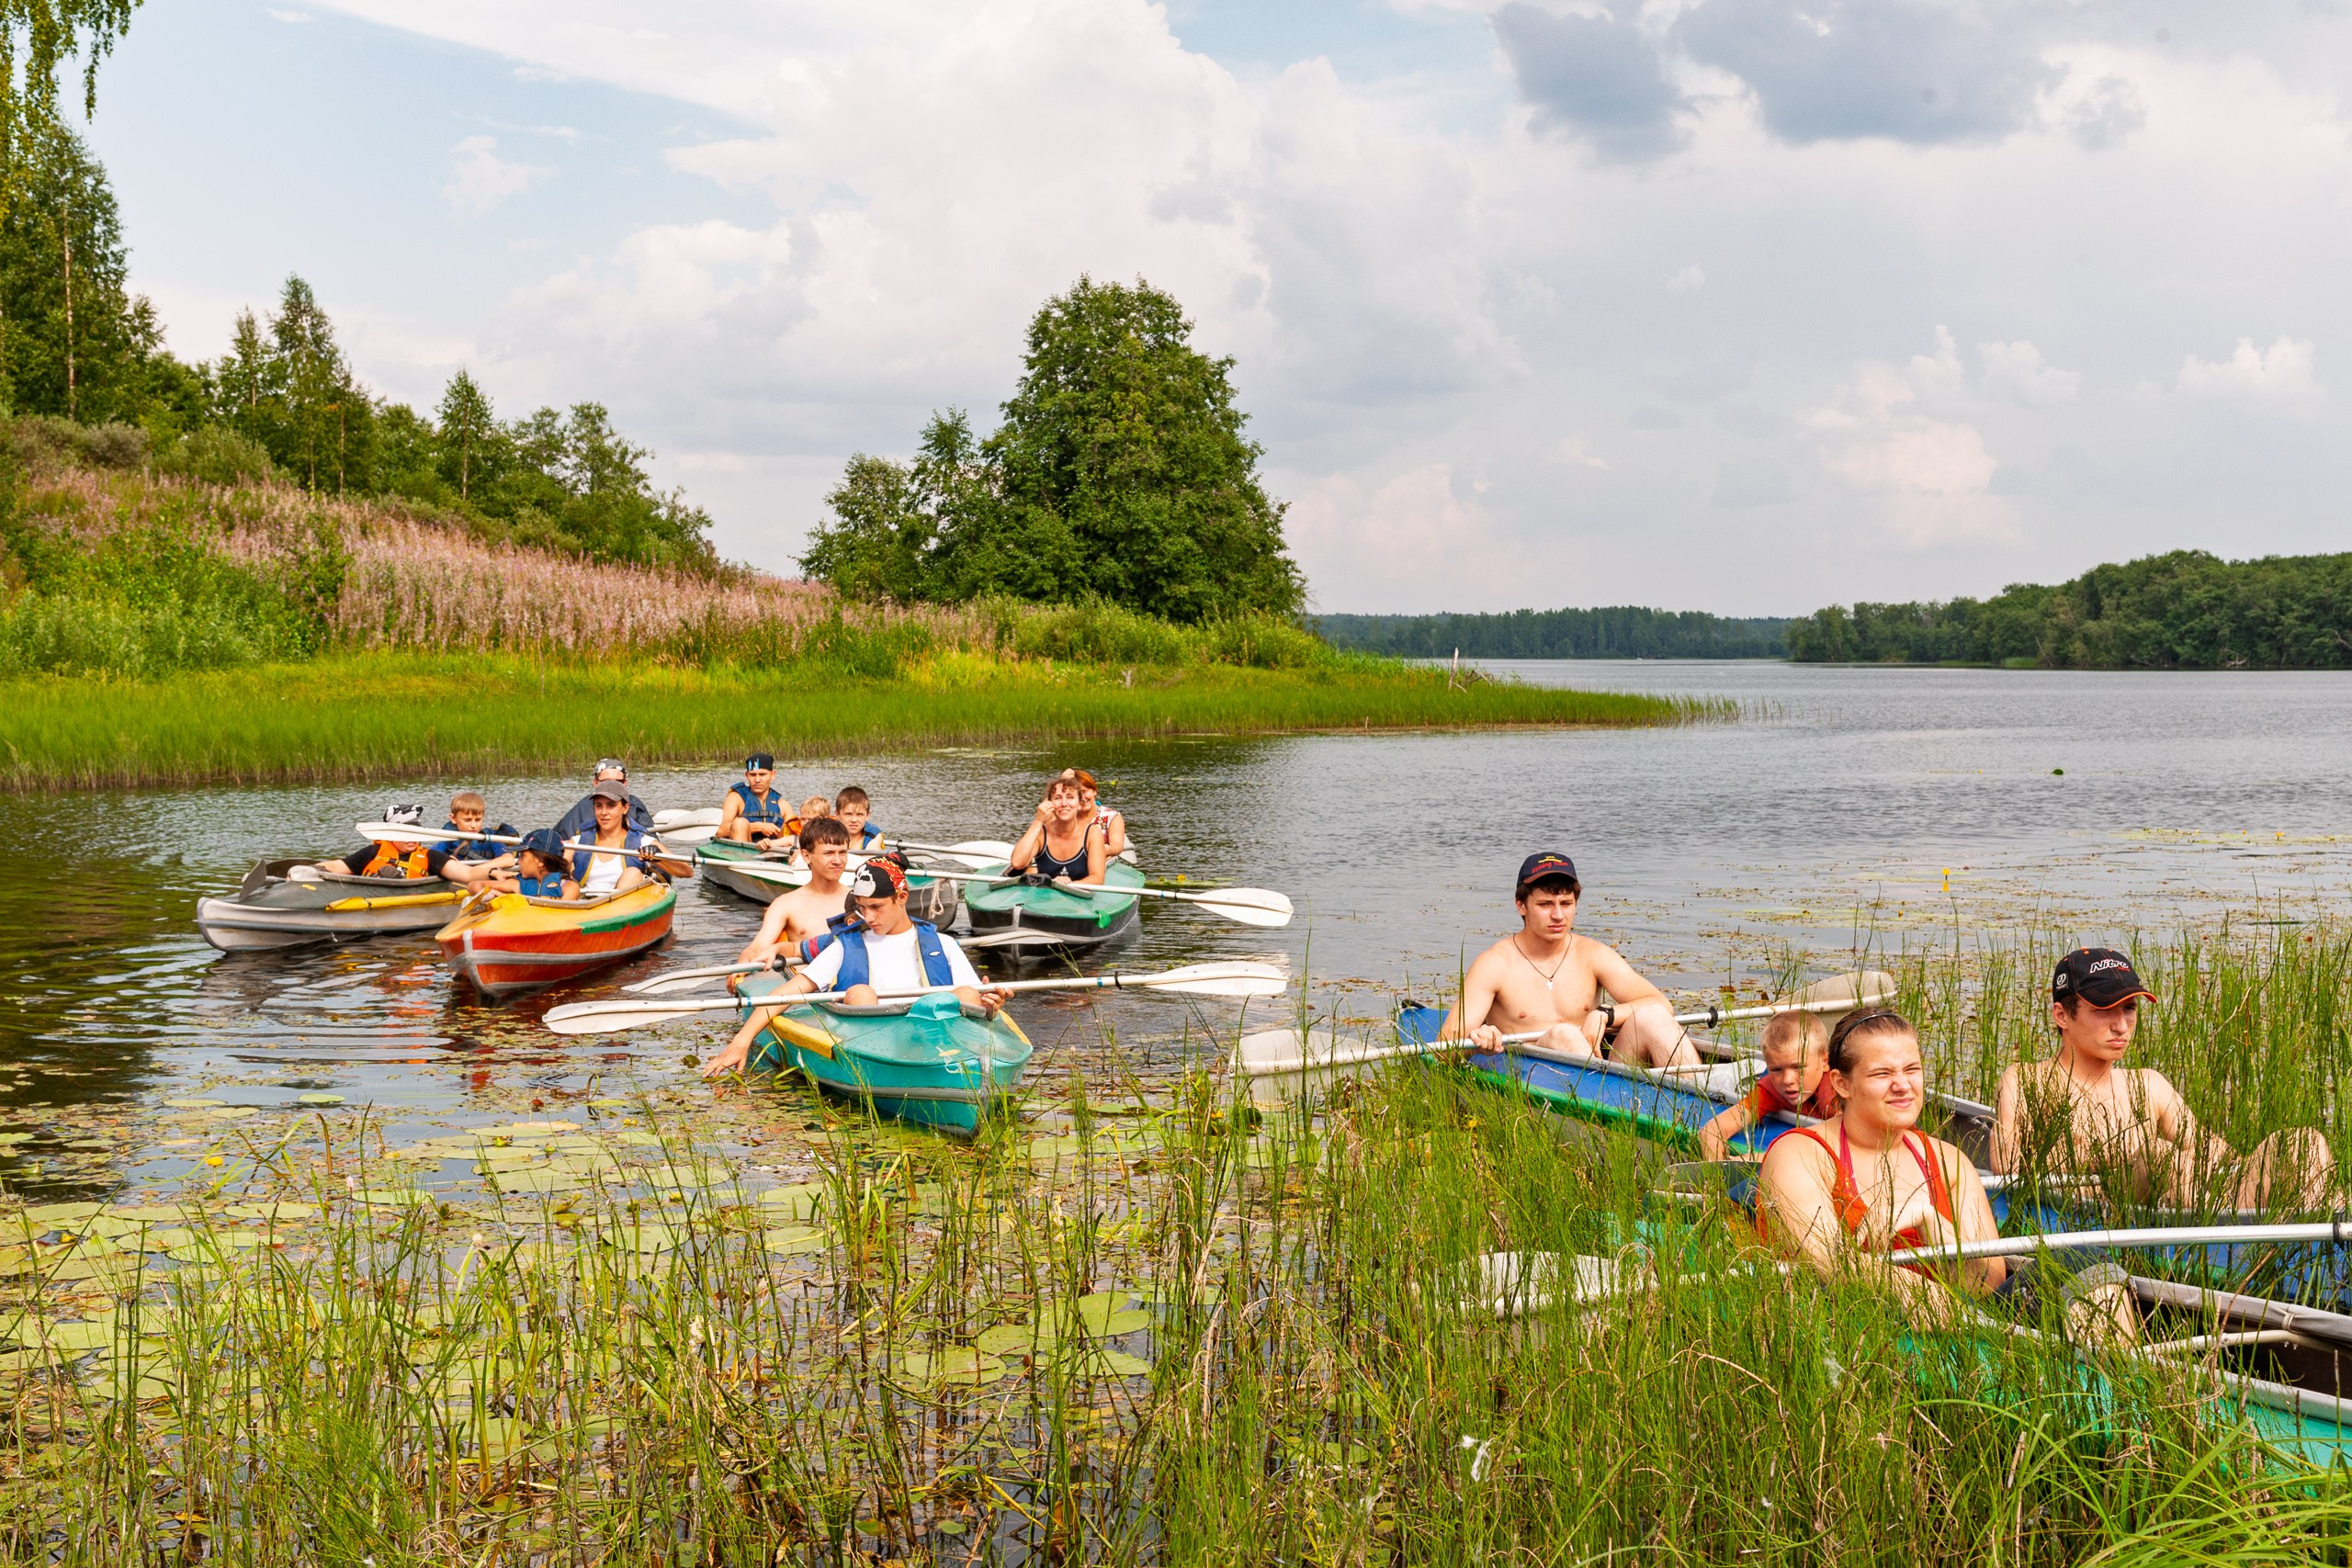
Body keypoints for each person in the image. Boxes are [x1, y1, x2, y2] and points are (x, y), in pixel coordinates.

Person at [1990, 948, 2335, 1210]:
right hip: (2103, 1213)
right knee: (2158, 1155)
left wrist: (2265, 1168)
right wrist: (2105, 1159)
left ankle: (2330, 1242)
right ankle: (2237, 1240)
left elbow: (2211, 1151)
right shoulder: (2024, 1081)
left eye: (2129, 1009)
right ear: (2062, 1015)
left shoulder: (2148, 1084)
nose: (2122, 1026)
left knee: (2302, 1142)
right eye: (2103, 1010)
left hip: (2192, 1199)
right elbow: (2007, 1170)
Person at [1757, 1007, 2008, 1312]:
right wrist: (1908, 1288)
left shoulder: (1949, 1161)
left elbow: (1986, 1283)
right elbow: (1824, 1261)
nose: (1903, 1085)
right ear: (1841, 1084)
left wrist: (1929, 1220)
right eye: (1882, 1073)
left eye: (1911, 1070)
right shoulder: (1798, 1154)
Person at [701, 860, 1007, 1078]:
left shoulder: (944, 943)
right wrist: (741, 1041)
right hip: (876, 1051)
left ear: (901, 898)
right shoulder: (845, 946)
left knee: (967, 992)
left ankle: (963, 1077)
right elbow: (787, 993)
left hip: (941, 1046)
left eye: (876, 907)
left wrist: (991, 1006)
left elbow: (982, 1006)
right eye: (861, 907)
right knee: (859, 993)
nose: (868, 917)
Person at [1435, 853, 1696, 1069]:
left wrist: (1606, 1013)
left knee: (1652, 1016)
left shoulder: (1592, 954)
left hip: (1600, 1070)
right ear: (1521, 906)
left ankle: (1707, 1115)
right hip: (1534, 1073)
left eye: (1566, 903)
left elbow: (1661, 1004)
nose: (1558, 915)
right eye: (1545, 904)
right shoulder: (1494, 964)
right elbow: (1443, 1049)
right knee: (1565, 1033)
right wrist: (1482, 1038)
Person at [1698, 1010, 1837, 1161]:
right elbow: (1712, 1130)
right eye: (1776, 1069)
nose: (1787, 1080)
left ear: (1825, 1062)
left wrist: (1766, 1158)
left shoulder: (1836, 1093)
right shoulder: (1771, 1088)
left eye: (1798, 1067)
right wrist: (1719, 1174)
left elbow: (1845, 1144)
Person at [737, 816, 857, 964]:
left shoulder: (860, 900)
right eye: (829, 853)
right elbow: (757, 948)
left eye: (843, 853)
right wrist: (744, 961)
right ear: (806, 856)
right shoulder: (785, 904)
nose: (838, 861)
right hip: (805, 982)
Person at [314, 804, 465, 882]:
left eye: (415, 833)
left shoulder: (432, 857)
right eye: (404, 834)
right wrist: (305, 871)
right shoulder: (373, 852)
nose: (411, 838)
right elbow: (336, 866)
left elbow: (468, 874)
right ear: (390, 834)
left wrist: (489, 868)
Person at [1009, 773, 1106, 886]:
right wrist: (1038, 821)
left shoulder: (1092, 832)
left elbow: (1097, 878)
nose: (1064, 804)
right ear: (1050, 803)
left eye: (1070, 797)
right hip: (1044, 896)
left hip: (1079, 897)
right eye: (1058, 798)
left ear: (1079, 804)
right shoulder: (1041, 832)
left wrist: (1069, 884)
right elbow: (1017, 863)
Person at [569, 782, 658, 897]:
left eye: (611, 805)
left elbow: (686, 871)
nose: (604, 812)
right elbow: (554, 871)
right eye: (598, 806)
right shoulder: (577, 842)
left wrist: (659, 858)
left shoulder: (643, 841)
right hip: (584, 904)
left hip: (621, 906)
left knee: (632, 873)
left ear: (625, 808)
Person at [553, 759, 654, 842]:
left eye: (617, 782)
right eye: (606, 781)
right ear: (595, 783)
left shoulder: (635, 806)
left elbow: (651, 839)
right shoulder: (582, 807)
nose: (611, 786)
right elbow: (560, 837)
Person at [717, 753, 791, 846]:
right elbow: (720, 831)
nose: (757, 780)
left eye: (762, 774)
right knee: (739, 823)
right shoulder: (736, 798)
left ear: (772, 775)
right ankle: (742, 859)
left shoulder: (783, 805)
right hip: (744, 852)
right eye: (753, 775)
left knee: (792, 826)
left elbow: (794, 836)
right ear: (747, 775)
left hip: (774, 852)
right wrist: (759, 827)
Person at [486, 829, 576, 899]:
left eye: (522, 856)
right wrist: (503, 898)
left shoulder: (569, 887)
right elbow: (475, 885)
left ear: (541, 862)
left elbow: (563, 912)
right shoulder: (517, 884)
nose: (518, 861)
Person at [1063, 768, 1126, 858]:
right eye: (1077, 794)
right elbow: (1047, 812)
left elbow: (1117, 846)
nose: (1082, 797)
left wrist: (1106, 849)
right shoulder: (1065, 817)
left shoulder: (1111, 817)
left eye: (1085, 791)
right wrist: (1062, 782)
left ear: (1094, 791)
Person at [443, 792, 518, 865]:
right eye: (467, 820)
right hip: (457, 874)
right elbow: (431, 858)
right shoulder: (447, 838)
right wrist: (447, 862)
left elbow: (508, 860)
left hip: (484, 874)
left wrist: (477, 870)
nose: (473, 825)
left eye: (478, 820)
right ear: (453, 818)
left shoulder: (492, 839)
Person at [834, 786, 884, 853]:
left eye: (859, 814)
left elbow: (868, 859)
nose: (854, 820)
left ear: (867, 815)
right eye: (848, 814)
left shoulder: (873, 835)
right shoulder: (828, 832)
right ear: (837, 814)